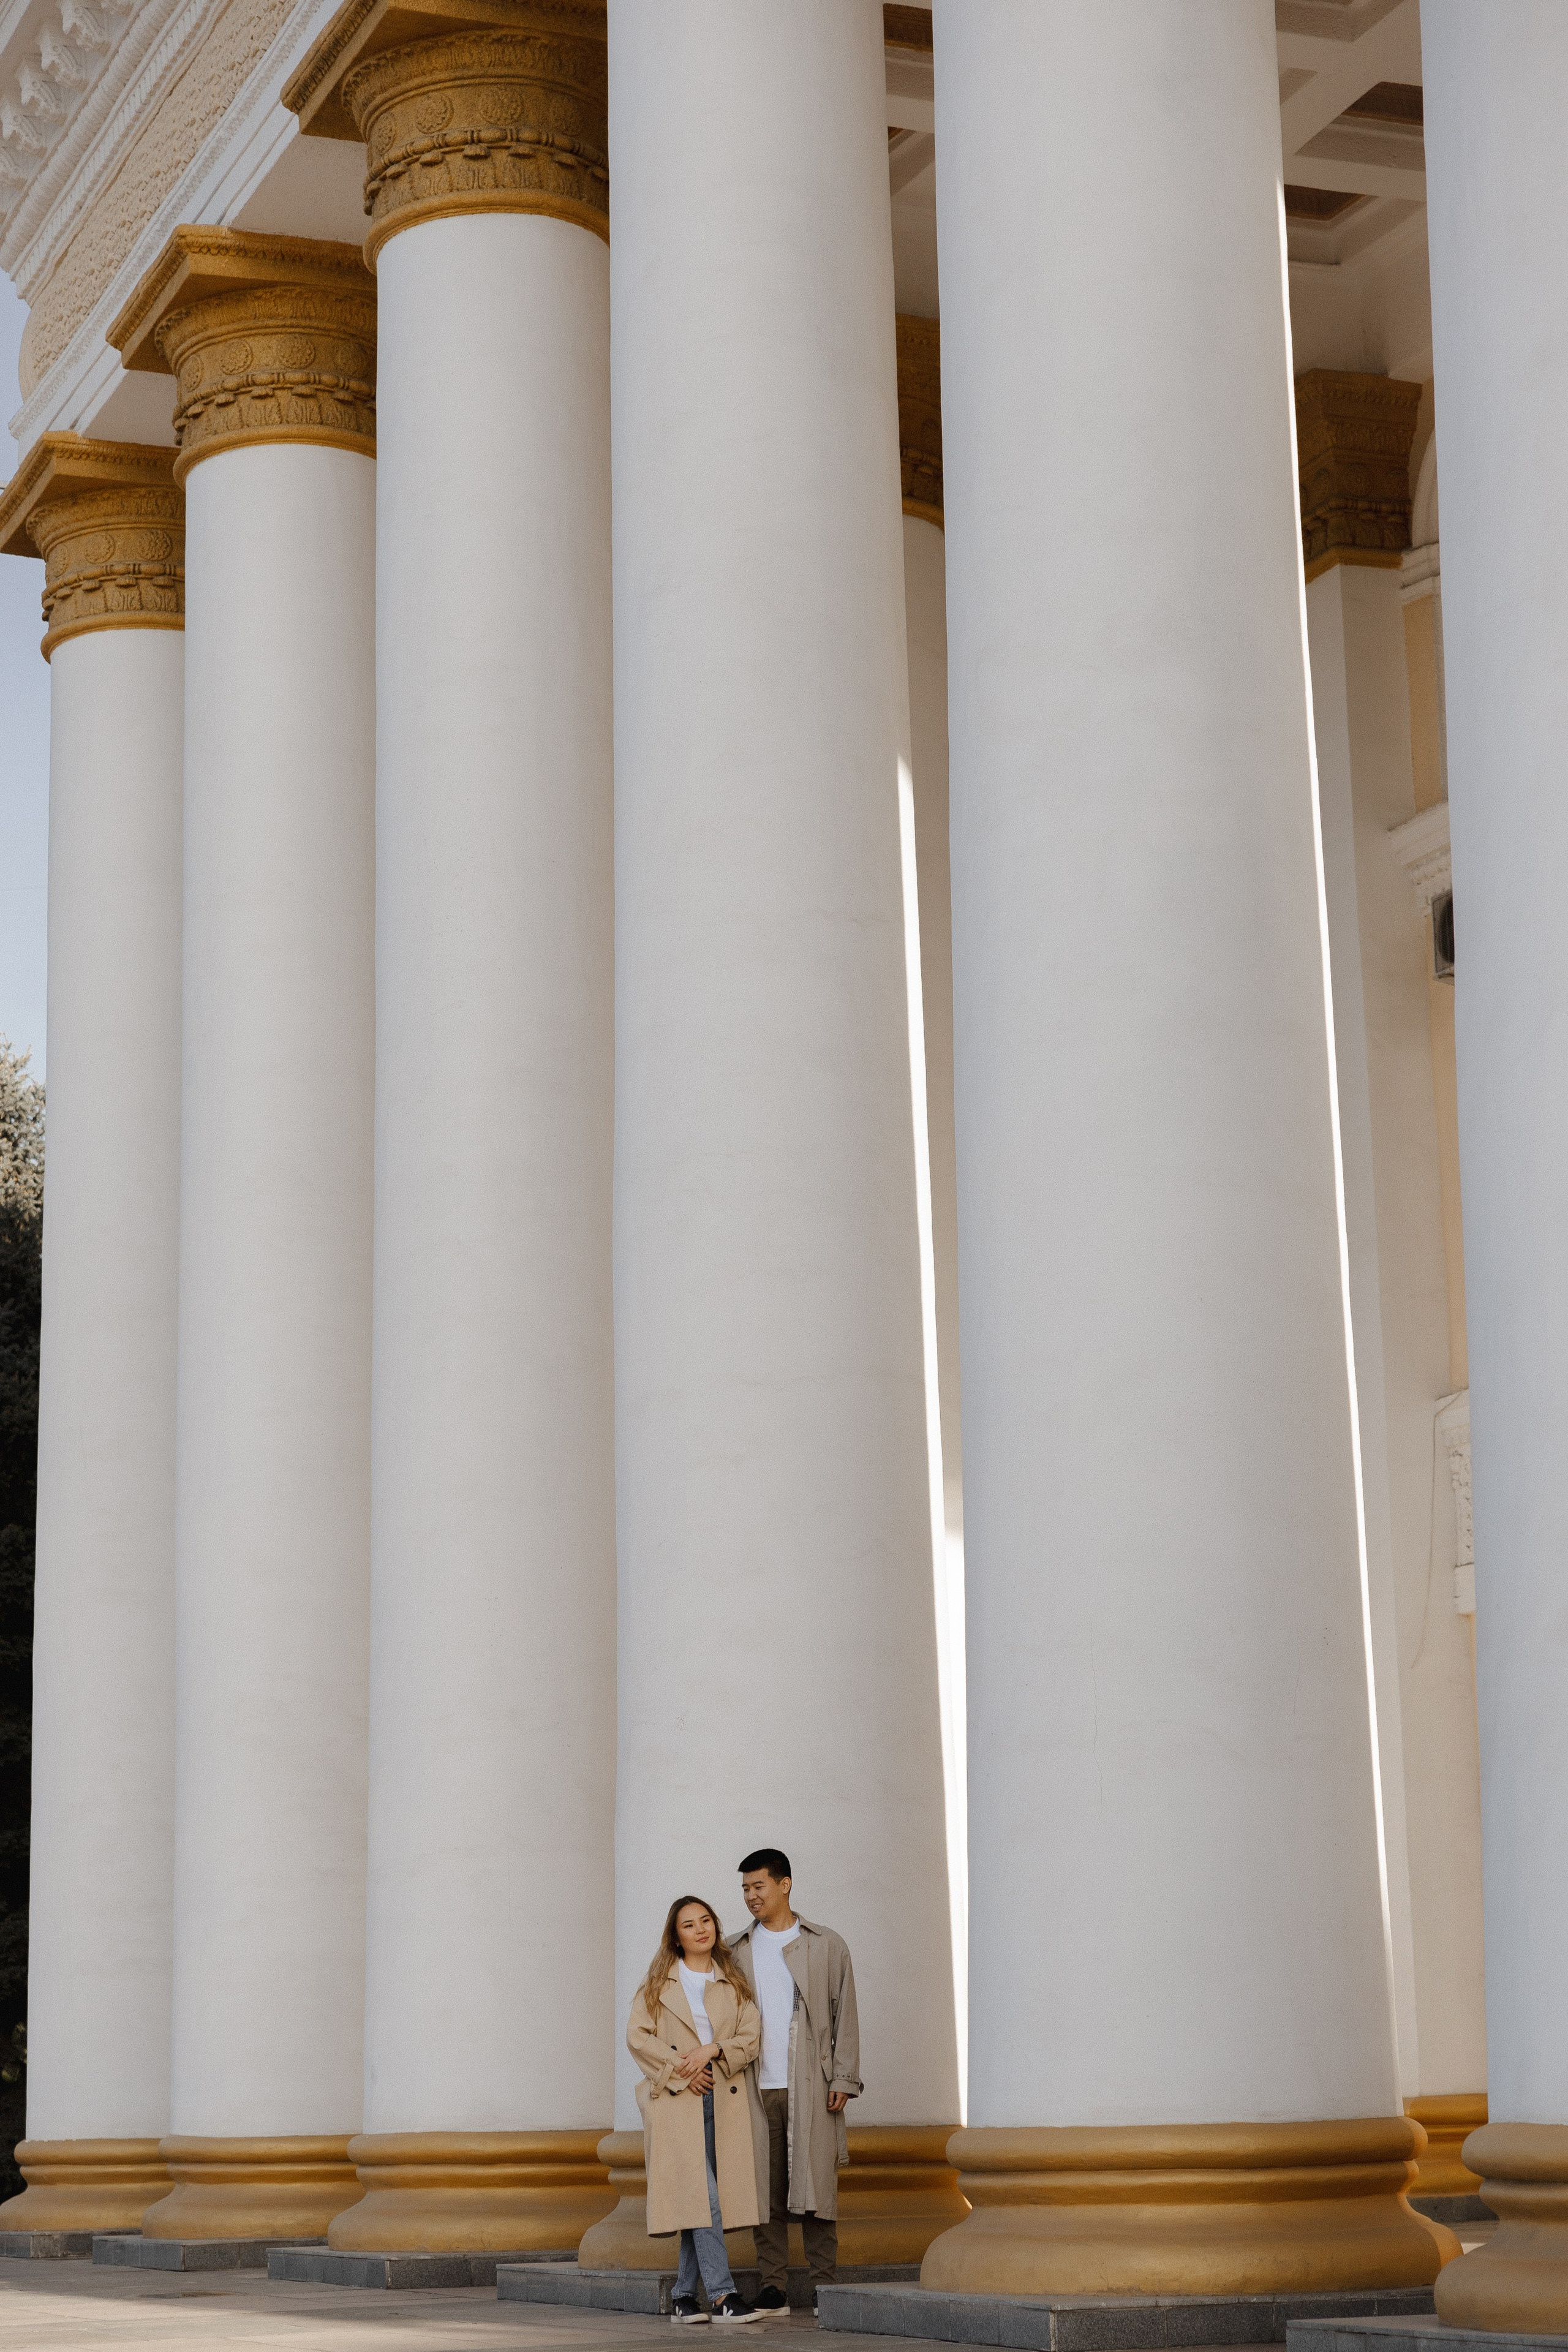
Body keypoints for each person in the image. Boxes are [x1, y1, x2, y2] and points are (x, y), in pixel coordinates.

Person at [729, 1849, 861, 2310]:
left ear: (785, 1884)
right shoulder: (734, 1950)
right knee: (765, 2192)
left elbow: (845, 2014)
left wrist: (843, 2076)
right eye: (745, 1888)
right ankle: (773, 2286)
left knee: (818, 2187)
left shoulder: (826, 1944)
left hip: (812, 2084)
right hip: (752, 2088)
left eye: (758, 1886)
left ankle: (825, 2284)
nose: (750, 1896)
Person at [628, 1893, 769, 2324]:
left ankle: (684, 2296)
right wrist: (682, 2071)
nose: (700, 1929)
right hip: (678, 2103)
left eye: (705, 1920)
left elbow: (751, 2035)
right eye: (689, 1924)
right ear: (676, 1936)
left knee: (702, 2197)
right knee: (705, 2198)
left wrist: (714, 2049)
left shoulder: (733, 1981)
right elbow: (638, 2038)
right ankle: (724, 2296)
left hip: (725, 2101)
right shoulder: (658, 1986)